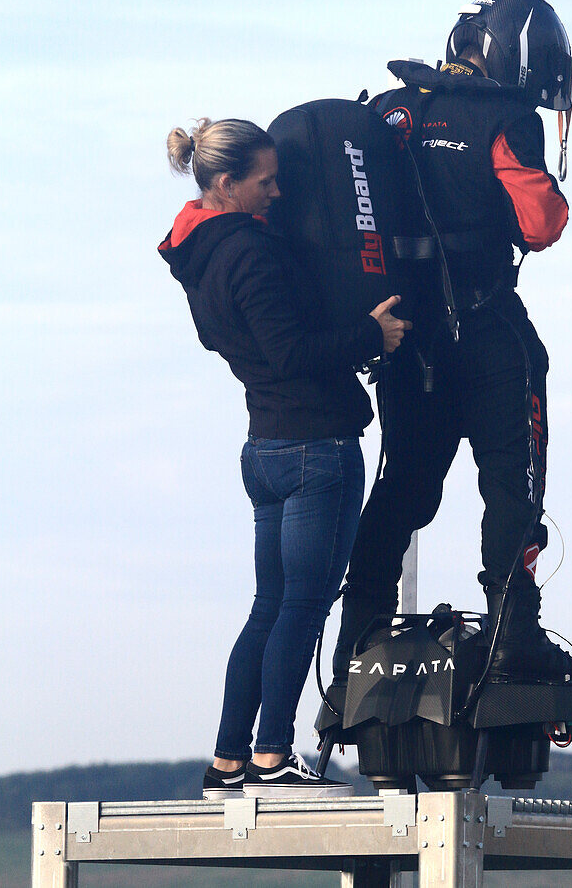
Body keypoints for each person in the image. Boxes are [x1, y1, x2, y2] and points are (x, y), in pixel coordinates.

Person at [333, 0, 572, 687]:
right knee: (511, 486)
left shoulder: (388, 109)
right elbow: (540, 227)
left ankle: (356, 643)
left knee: (403, 490)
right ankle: (512, 642)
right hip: (484, 332)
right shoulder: (504, 117)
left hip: (403, 339)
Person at [158, 117, 410, 798]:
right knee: (300, 606)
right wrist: (371, 332)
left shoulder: (201, 255)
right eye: (265, 182)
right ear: (226, 182)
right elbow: (292, 353)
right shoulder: (251, 254)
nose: (276, 193)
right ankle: (272, 758)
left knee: (269, 607)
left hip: (265, 448)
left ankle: (227, 765)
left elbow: (253, 349)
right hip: (313, 449)